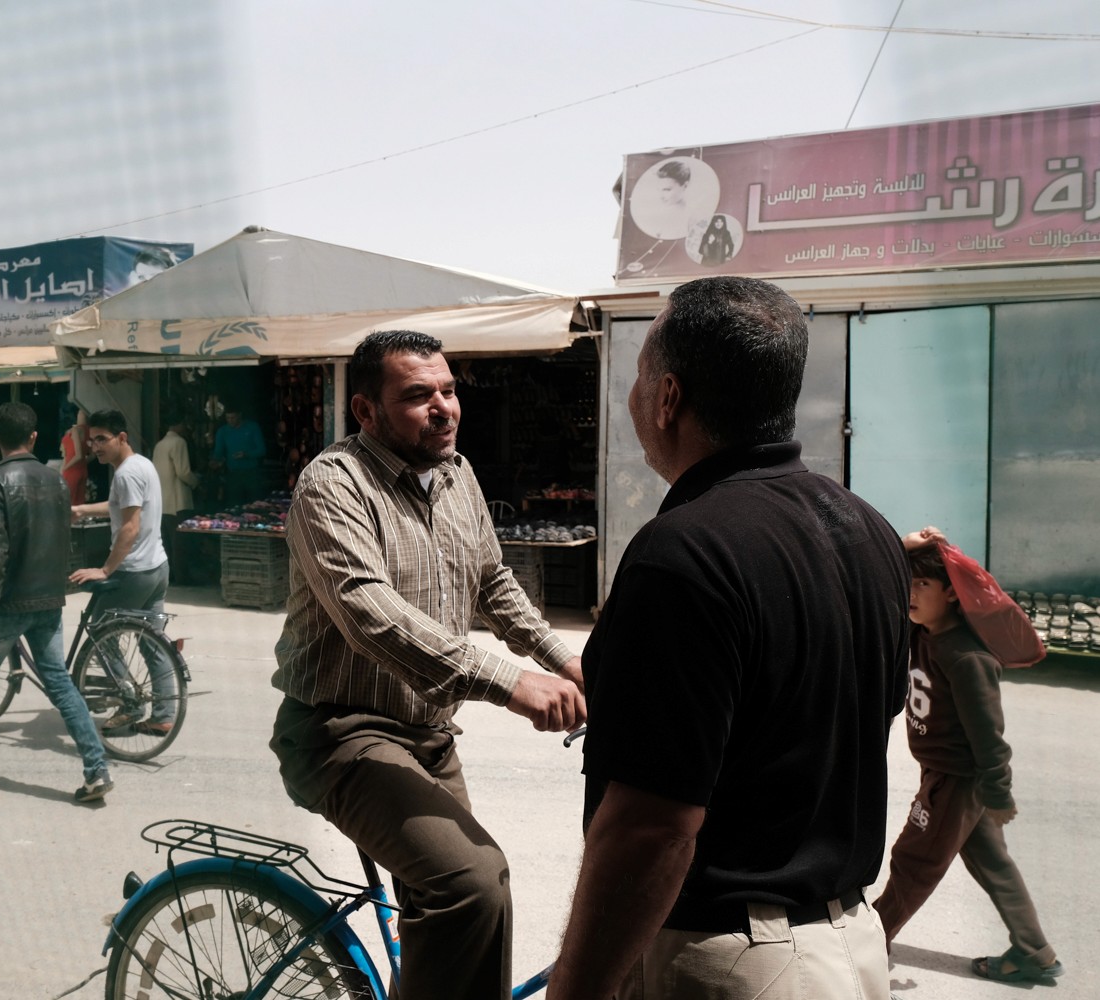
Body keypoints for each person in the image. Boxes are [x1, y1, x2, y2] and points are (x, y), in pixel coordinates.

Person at [549, 276, 910, 1000]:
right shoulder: (868, 529)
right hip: (851, 949)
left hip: (734, 963)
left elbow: (651, 829)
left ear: (668, 397)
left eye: (641, 375)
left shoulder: (681, 555)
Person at [269, 330, 585, 1000]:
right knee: (469, 881)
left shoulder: (457, 474)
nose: (444, 407)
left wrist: (563, 659)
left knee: (480, 893)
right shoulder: (331, 486)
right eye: (418, 396)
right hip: (340, 734)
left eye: (448, 390)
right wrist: (508, 682)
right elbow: (369, 613)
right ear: (366, 411)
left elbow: (492, 582)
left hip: (428, 738)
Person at [872, 527, 1063, 985]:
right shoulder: (922, 630)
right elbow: (877, 570)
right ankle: (1034, 951)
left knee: (913, 861)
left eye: (923, 584)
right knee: (993, 864)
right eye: (909, 582)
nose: (911, 593)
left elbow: (989, 737)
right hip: (947, 776)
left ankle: (869, 942)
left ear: (952, 595)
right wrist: (909, 547)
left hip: (956, 781)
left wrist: (998, 793)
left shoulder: (965, 657)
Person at [0, 401, 113, 803]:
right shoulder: (55, 482)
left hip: (8, 605)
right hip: (49, 601)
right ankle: (96, 769)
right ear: (34, 437)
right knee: (61, 684)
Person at [68, 410, 176, 734]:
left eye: (102, 439)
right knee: (152, 643)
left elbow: (130, 526)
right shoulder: (140, 465)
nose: (95, 446)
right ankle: (163, 715)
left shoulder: (126, 474)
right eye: (91, 440)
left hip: (133, 573)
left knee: (102, 637)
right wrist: (81, 510)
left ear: (121, 438)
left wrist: (105, 570)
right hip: (157, 567)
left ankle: (129, 703)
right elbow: (120, 506)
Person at [152, 408, 199, 583]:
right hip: (178, 500)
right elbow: (183, 472)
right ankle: (183, 577)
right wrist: (196, 482)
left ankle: (169, 576)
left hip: (163, 500)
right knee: (180, 542)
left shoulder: (160, 444)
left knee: (167, 542)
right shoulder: (179, 442)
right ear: (179, 424)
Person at [210, 403, 265, 506]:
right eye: (228, 418)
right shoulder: (223, 431)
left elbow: (261, 450)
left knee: (255, 503)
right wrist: (215, 462)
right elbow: (218, 452)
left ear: (239, 415)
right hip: (233, 473)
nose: (230, 420)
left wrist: (246, 454)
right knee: (234, 504)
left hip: (251, 472)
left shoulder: (252, 427)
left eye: (233, 417)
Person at [59, 405, 89, 506]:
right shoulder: (89, 432)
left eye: (81, 413)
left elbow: (78, 455)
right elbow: (91, 455)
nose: (80, 414)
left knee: (68, 501)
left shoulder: (76, 430)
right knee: (79, 502)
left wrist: (66, 467)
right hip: (82, 469)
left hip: (71, 469)